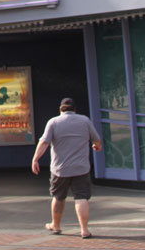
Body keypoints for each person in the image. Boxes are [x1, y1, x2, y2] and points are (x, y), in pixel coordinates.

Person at [31, 97, 103, 239]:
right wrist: (97, 146)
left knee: (58, 197)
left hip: (60, 169)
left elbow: (44, 143)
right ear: (74, 109)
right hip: (81, 168)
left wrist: (35, 159)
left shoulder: (53, 122)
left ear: (60, 109)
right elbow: (97, 140)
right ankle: (84, 230)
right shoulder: (84, 121)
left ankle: (56, 226)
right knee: (81, 198)